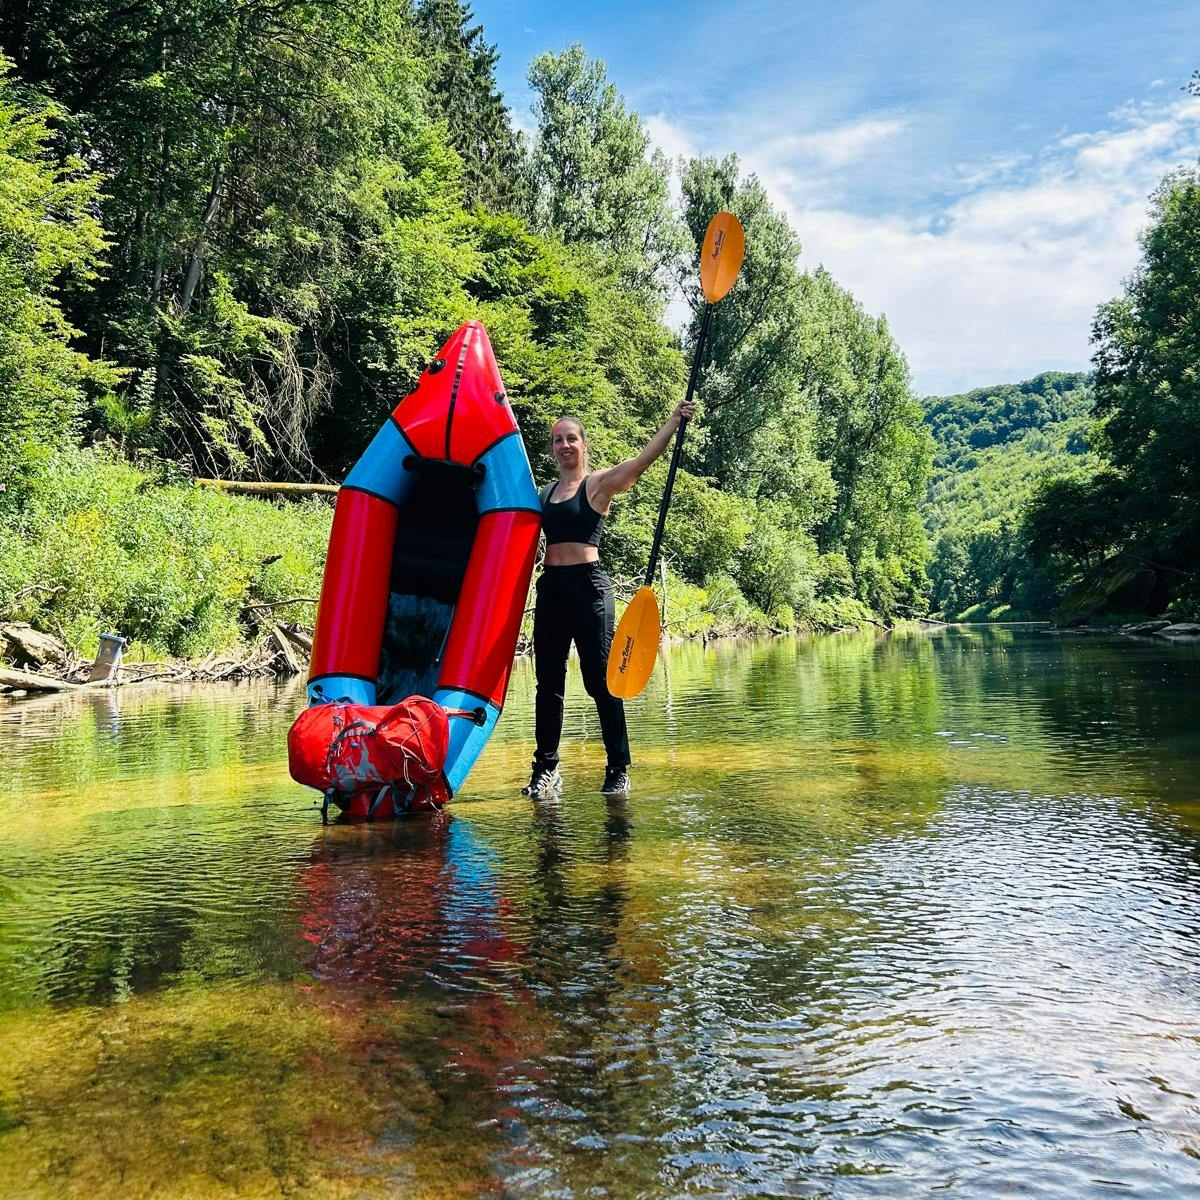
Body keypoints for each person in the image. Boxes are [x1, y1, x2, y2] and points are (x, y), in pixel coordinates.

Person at [523, 400, 695, 800]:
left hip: (590, 589)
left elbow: (639, 463)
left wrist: (672, 420)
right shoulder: (543, 494)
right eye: (557, 440)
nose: (564, 445)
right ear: (552, 449)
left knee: (601, 681)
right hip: (551, 588)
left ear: (583, 444)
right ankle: (546, 769)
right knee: (548, 683)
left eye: (571, 438)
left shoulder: (597, 485)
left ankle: (618, 768)